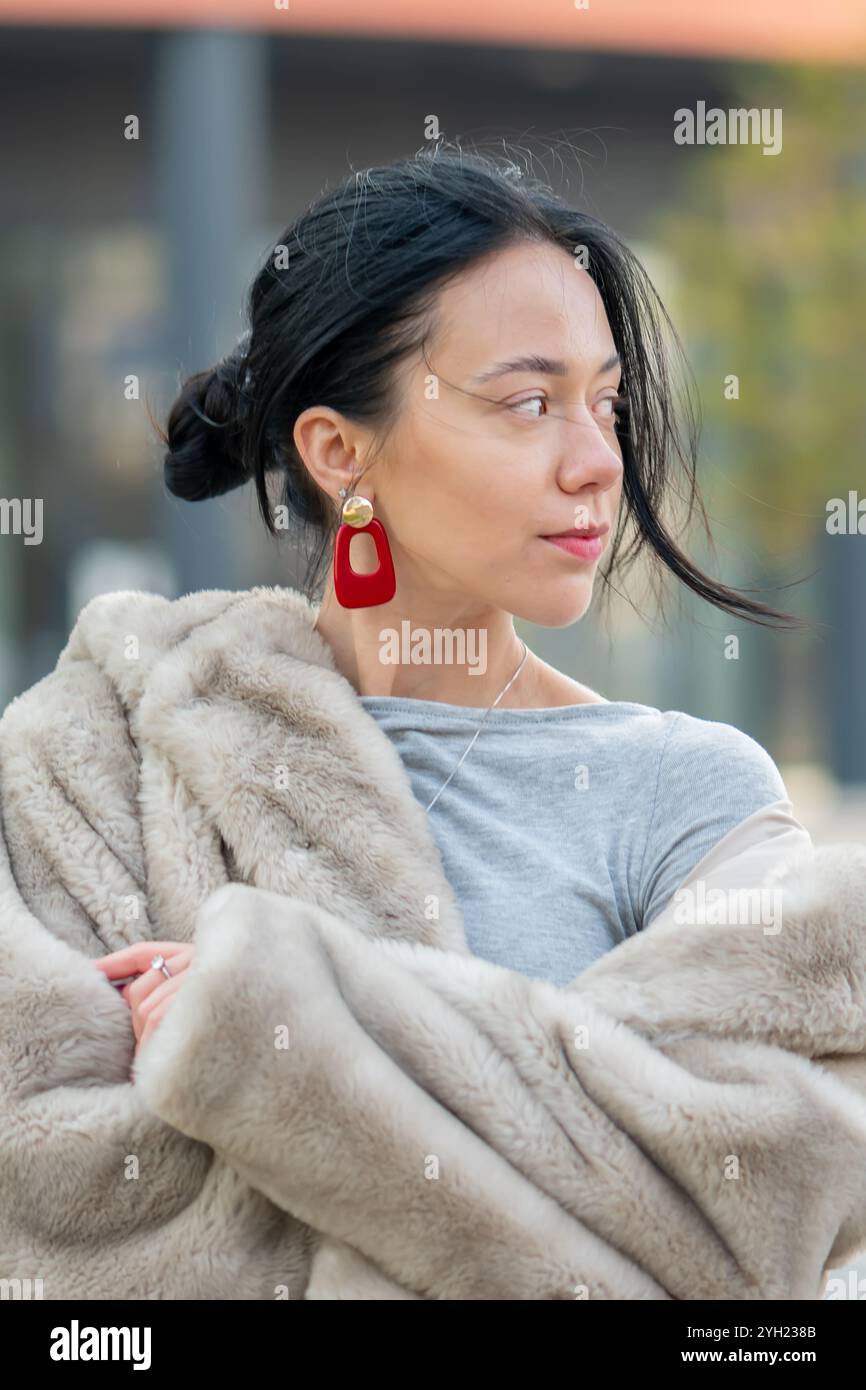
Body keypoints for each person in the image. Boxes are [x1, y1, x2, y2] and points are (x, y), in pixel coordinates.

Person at [0, 145, 821, 1299]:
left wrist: (281, 1022)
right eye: (528, 402)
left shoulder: (686, 797)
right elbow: (59, 1214)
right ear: (339, 454)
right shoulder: (101, 750)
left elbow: (759, 1202)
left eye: (605, 402)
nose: (594, 462)